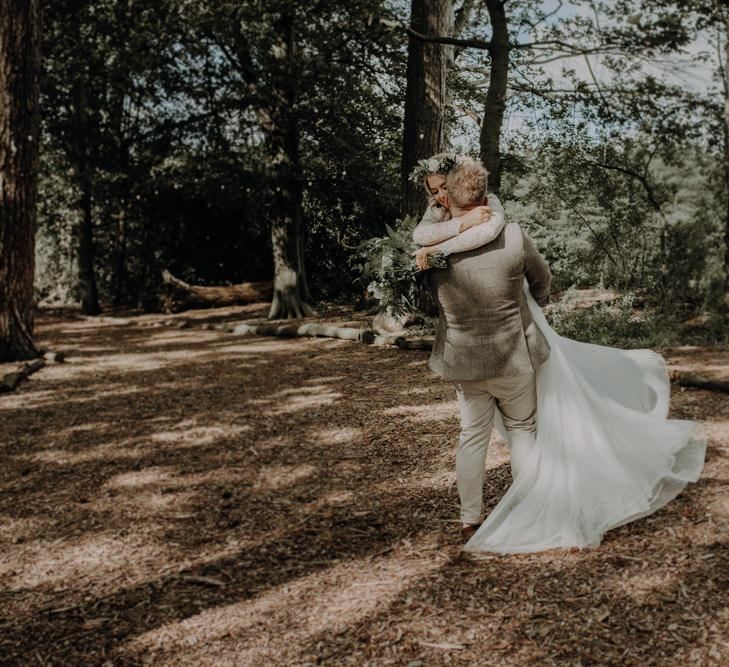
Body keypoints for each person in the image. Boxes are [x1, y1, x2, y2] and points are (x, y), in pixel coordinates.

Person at [412, 154, 706, 553]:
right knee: (521, 431)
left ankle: (470, 519)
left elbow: (432, 292)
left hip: (463, 360)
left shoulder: (431, 254)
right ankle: (529, 509)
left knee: (471, 438)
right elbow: (542, 278)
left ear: (447, 200)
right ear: (485, 195)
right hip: (514, 356)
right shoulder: (513, 235)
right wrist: (536, 301)